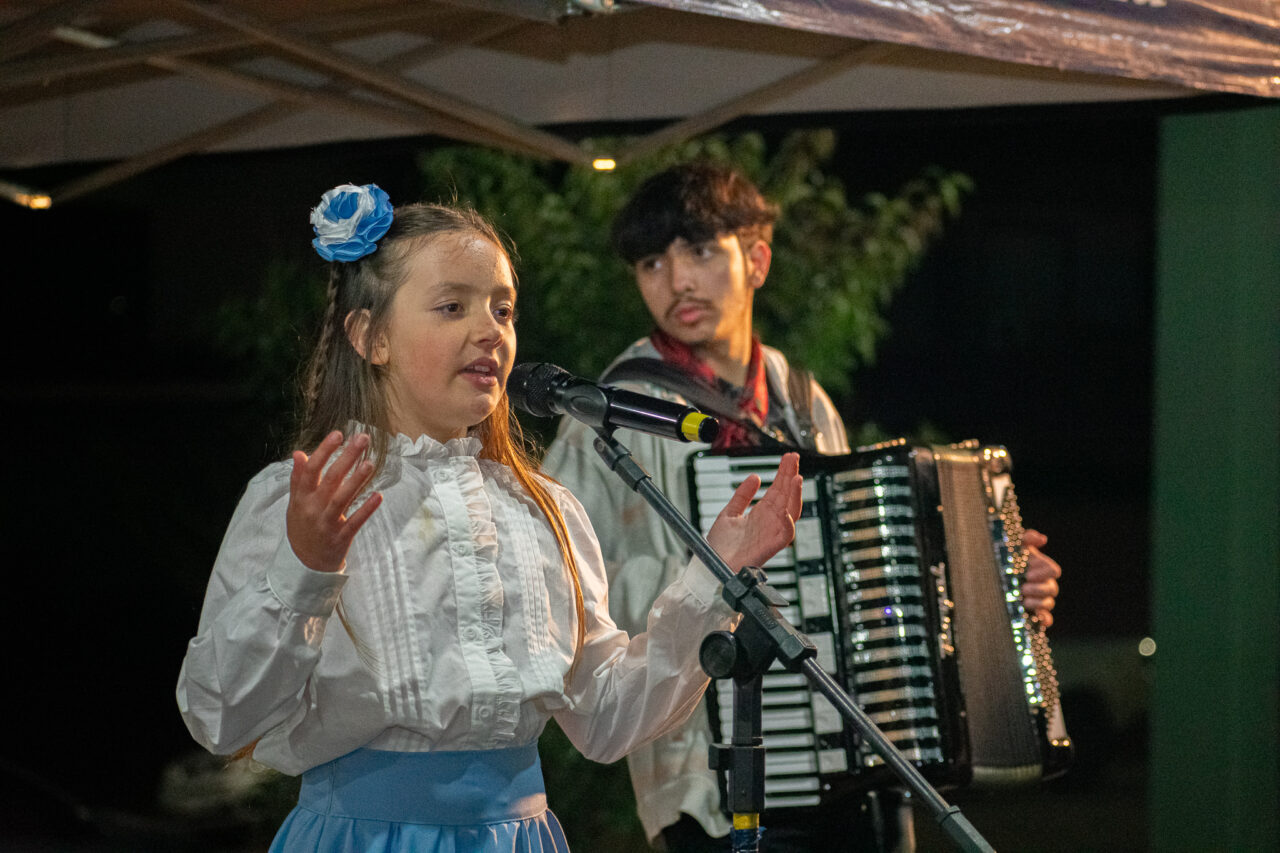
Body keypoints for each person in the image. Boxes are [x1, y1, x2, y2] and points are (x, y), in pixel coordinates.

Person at [175, 183, 806, 853]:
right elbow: (218, 716)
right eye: (452, 306)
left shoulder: (542, 510)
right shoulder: (303, 499)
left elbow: (608, 720)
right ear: (371, 336)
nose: (490, 331)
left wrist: (714, 579)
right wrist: (304, 565)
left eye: (503, 309)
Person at [541, 162, 1063, 851]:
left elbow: (868, 590)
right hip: (705, 786)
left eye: (699, 250)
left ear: (756, 259)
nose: (676, 281)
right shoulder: (611, 412)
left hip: (851, 773)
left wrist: (988, 589)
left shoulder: (801, 396)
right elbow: (555, 582)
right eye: (651, 262)